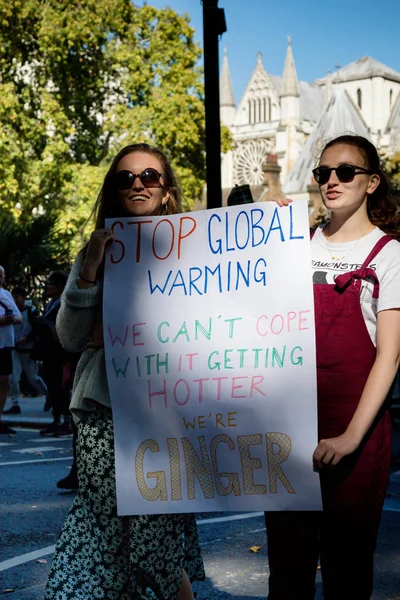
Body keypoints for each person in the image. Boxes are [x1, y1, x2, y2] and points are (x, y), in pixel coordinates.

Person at [45, 143, 205, 599]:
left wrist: (272, 233)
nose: (138, 184)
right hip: (103, 413)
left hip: (166, 413)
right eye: (125, 178)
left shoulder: (198, 250)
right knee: (104, 529)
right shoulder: (94, 252)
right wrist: (91, 269)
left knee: (153, 539)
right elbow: (71, 337)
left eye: (149, 176)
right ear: (114, 192)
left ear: (167, 191)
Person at [265, 134, 400, 600]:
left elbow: (390, 355)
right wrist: (265, 227)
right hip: (289, 436)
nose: (332, 181)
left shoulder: (390, 255)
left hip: (356, 437)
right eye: (323, 173)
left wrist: (350, 437)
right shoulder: (292, 245)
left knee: (347, 572)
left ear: (371, 182)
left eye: (346, 172)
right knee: (286, 571)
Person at [33, 272, 74, 437]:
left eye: (50, 284)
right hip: (48, 351)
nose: (47, 287)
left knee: (60, 386)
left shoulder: (63, 303)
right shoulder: (51, 303)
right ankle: (56, 420)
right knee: (52, 386)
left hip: (59, 351)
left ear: (59, 286)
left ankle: (67, 421)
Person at [3, 286, 47, 414]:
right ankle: (15, 403)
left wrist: (27, 338)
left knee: (33, 378)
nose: (15, 300)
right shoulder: (10, 311)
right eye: (13, 297)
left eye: (17, 297)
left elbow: (38, 329)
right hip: (16, 349)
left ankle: (49, 395)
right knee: (13, 377)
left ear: (23, 298)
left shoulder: (31, 312)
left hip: (28, 350)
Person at [0, 267, 22, 434]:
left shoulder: (6, 294)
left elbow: (19, 316)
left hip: (6, 344)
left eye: (2, 275)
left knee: (4, 382)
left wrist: (12, 318)